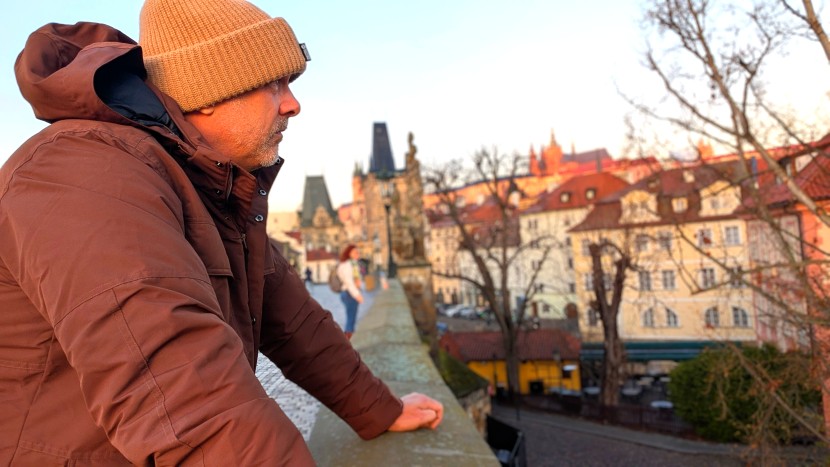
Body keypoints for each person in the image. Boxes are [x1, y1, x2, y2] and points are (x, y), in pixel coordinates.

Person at [0, 0, 443, 465]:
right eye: (274, 83)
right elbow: (184, 392)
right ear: (208, 91)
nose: (293, 104)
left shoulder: (202, 179)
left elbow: (290, 319)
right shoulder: (84, 171)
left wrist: (377, 408)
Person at [337, 245, 364, 339]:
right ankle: (347, 342)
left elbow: (356, 280)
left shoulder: (353, 264)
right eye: (355, 252)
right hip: (349, 293)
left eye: (358, 252)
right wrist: (357, 295)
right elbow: (349, 282)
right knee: (350, 319)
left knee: (351, 318)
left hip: (349, 293)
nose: (357, 254)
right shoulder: (347, 265)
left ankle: (348, 341)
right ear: (349, 253)